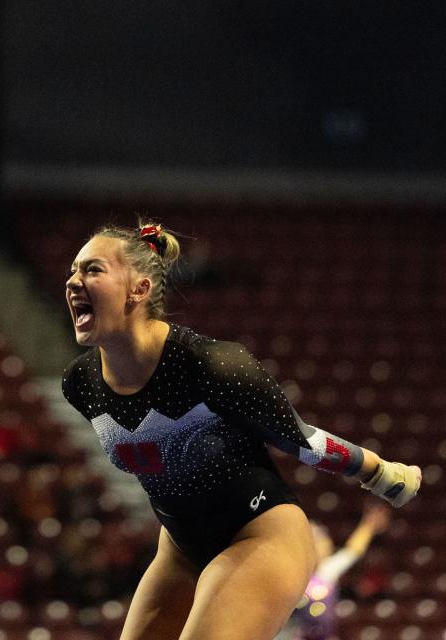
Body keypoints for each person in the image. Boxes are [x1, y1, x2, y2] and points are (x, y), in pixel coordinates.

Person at [60, 222, 421, 640]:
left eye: (92, 270)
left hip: (259, 535)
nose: (72, 282)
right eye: (72, 270)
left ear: (138, 290)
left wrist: (380, 472)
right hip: (180, 549)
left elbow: (302, 441)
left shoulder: (212, 366)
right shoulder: (80, 384)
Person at [277, 503, 391, 640]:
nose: (319, 547)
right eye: (313, 542)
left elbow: (353, 551)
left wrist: (368, 526)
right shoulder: (292, 573)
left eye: (321, 541)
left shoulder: (327, 571)